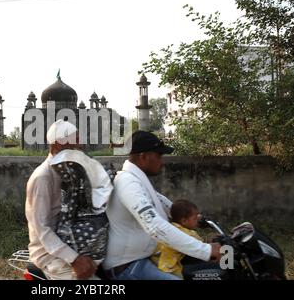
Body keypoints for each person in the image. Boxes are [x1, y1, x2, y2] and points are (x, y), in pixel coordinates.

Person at [102, 130, 221, 280]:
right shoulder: (128, 183)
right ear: (143, 156)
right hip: (127, 268)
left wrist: (198, 221)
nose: (162, 161)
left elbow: (170, 209)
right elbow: (154, 225)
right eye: (158, 156)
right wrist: (205, 250)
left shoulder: (139, 182)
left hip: (145, 259)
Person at [25, 119, 112, 280]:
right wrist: (74, 259)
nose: (79, 148)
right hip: (51, 255)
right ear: (58, 144)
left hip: (75, 246)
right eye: (74, 143)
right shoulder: (43, 177)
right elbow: (41, 228)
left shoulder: (72, 171)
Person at [151, 199, 203, 278]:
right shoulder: (186, 234)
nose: (197, 221)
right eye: (195, 219)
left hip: (155, 261)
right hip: (168, 267)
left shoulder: (172, 226)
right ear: (184, 221)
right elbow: (201, 245)